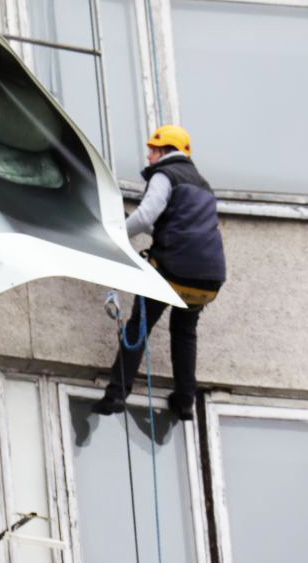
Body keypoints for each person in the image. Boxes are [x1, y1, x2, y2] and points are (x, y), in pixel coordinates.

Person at [92, 124, 226, 420]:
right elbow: (172, 226)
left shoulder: (166, 175)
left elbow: (145, 215)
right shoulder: (202, 185)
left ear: (162, 150)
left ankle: (116, 396)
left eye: (152, 151)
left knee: (138, 327)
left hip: (173, 271)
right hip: (208, 279)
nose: (149, 157)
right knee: (184, 332)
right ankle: (184, 402)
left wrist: (115, 236)